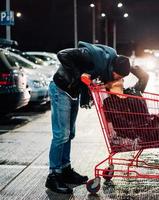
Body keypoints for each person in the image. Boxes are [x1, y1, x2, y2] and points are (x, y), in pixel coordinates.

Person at [46, 41, 131, 194]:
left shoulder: (108, 66)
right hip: (60, 88)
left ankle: (64, 169)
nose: (113, 78)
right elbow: (62, 54)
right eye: (115, 75)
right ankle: (53, 175)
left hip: (72, 92)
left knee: (69, 134)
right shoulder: (92, 57)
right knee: (61, 135)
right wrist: (80, 76)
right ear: (112, 67)